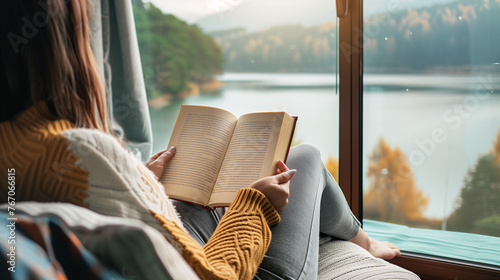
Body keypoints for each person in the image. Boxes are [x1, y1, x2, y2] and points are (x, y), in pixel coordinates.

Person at [0, 0, 400, 279]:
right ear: (64, 45)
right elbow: (210, 276)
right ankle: (364, 241)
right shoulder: (78, 151)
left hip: (161, 247)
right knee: (306, 159)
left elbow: (86, 207)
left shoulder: (16, 146)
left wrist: (139, 179)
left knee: (261, 174)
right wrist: (256, 205)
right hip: (226, 269)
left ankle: (362, 239)